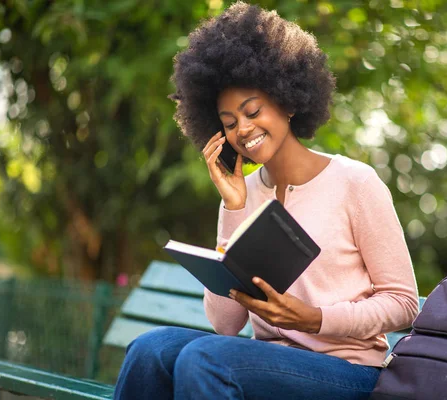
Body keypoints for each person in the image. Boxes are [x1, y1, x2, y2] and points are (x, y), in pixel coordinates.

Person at [114, 2, 419, 399]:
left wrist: (315, 319)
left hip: (348, 373)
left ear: (288, 100)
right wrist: (233, 207)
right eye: (229, 123)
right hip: (267, 363)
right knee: (149, 349)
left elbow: (403, 304)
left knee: (205, 359)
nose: (243, 129)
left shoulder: (354, 182)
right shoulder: (246, 194)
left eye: (253, 111)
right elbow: (226, 324)